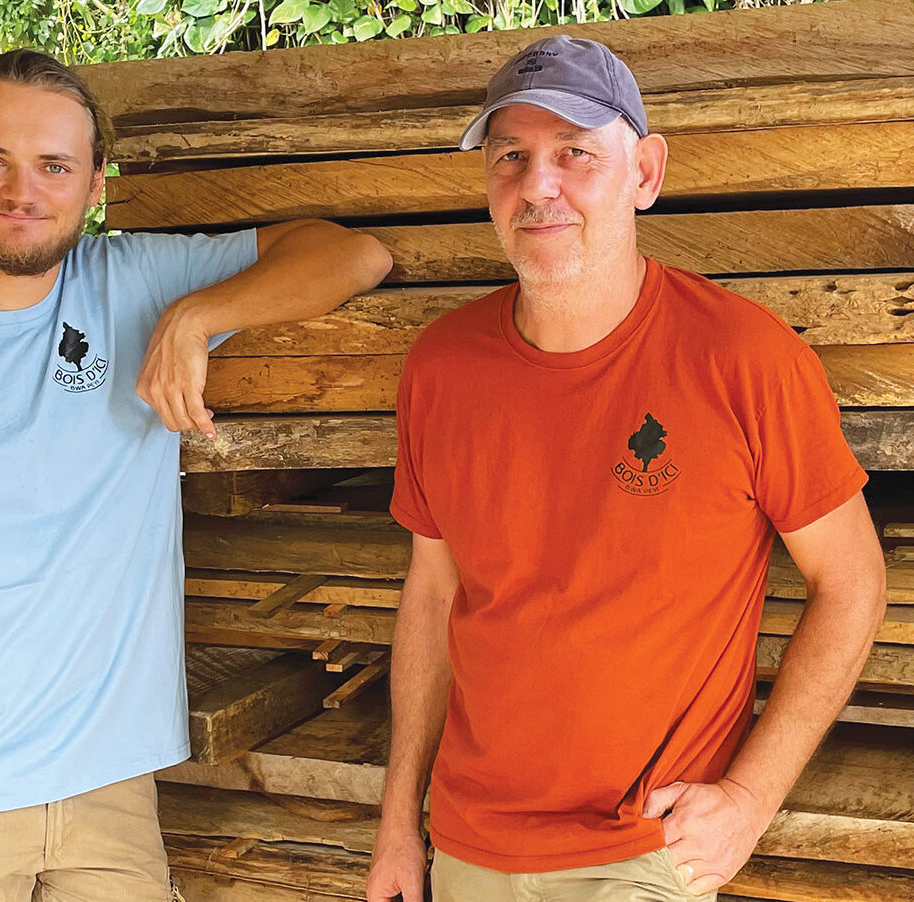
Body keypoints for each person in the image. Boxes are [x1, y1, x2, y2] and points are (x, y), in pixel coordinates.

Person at [0, 49, 392, 901]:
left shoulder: (134, 283)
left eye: (54, 165)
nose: (22, 190)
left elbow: (352, 255)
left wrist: (198, 317)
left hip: (108, 798)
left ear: (93, 187)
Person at [366, 35, 886, 902]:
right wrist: (397, 827)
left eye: (577, 153)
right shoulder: (440, 367)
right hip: (466, 846)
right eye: (511, 157)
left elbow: (854, 581)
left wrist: (751, 799)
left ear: (644, 172)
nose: (540, 185)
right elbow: (432, 594)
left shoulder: (742, 358)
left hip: (642, 851)